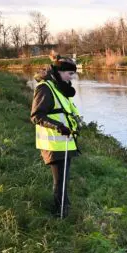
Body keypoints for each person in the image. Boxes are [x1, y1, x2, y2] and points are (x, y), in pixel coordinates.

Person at [31, 52, 81, 218]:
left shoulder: (59, 88)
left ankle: (63, 206)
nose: (71, 78)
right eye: (70, 74)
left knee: (63, 180)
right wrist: (59, 127)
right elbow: (36, 115)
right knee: (59, 181)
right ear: (59, 72)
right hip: (54, 144)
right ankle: (59, 214)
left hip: (64, 142)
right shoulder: (45, 88)